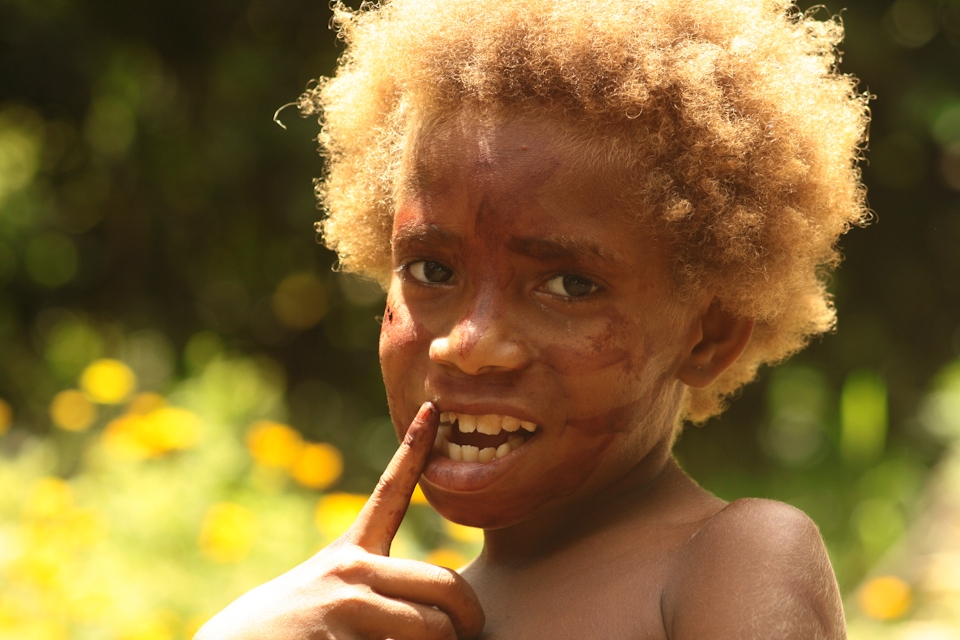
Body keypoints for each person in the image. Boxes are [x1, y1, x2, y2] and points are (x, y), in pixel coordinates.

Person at [197, 0, 869, 637]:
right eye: (433, 271)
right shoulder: (386, 620)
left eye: (569, 285)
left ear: (710, 334)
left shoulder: (730, 559)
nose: (468, 346)